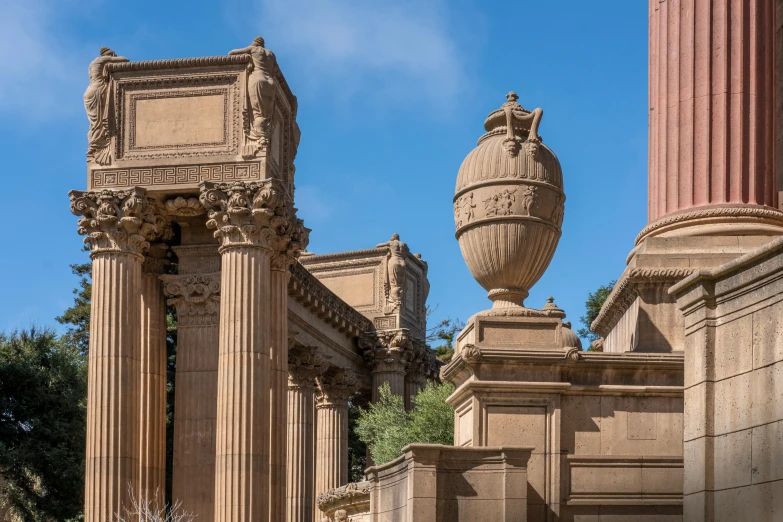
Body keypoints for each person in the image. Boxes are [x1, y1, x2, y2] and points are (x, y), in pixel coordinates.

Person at [84, 47, 128, 164]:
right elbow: (125, 60)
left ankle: (93, 148)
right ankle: (95, 149)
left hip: (90, 92)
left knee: (95, 125)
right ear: (111, 54)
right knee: (99, 124)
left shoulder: (93, 64)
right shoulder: (101, 60)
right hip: (97, 92)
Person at [229, 36, 277, 144]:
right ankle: (264, 136)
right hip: (270, 83)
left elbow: (232, 53)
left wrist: (250, 49)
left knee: (258, 113)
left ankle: (261, 138)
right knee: (266, 114)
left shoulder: (254, 49)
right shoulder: (271, 54)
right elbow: (275, 70)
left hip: (258, 79)